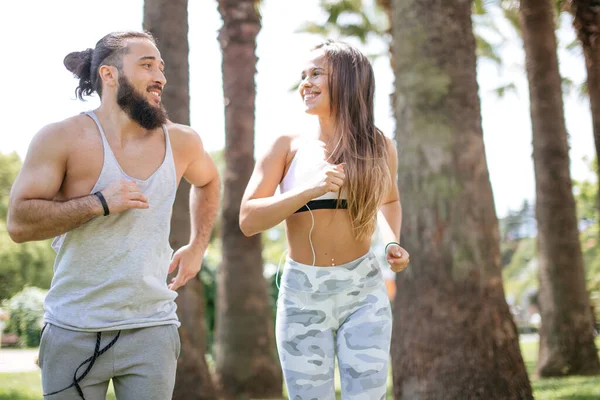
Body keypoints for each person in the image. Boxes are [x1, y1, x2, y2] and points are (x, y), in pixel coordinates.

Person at [7, 31, 220, 399]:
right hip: (73, 329)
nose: (161, 78)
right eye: (147, 65)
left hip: (151, 328)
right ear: (108, 74)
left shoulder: (182, 141)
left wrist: (198, 245)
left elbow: (209, 180)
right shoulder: (62, 138)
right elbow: (19, 223)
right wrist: (98, 202)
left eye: (162, 68)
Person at [239, 39, 409, 400]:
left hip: (364, 293)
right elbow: (248, 219)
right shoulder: (286, 145)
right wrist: (307, 192)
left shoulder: (380, 147)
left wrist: (392, 241)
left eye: (317, 73)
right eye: (303, 75)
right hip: (303, 293)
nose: (306, 83)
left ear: (348, 81)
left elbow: (389, 200)